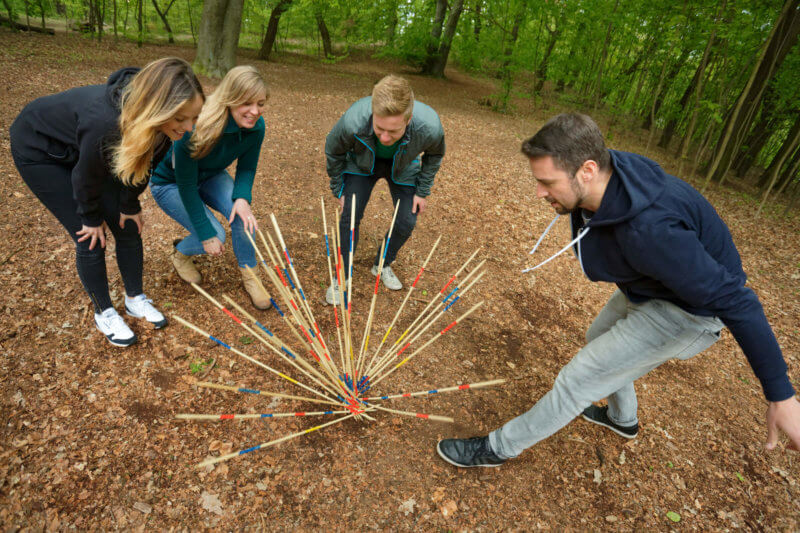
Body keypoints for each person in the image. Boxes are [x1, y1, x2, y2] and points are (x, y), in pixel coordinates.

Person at [437, 113, 800, 467]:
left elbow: (737, 300)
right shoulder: (612, 180)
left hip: (689, 311)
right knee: (596, 335)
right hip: (654, 285)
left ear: (588, 169)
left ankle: (498, 448)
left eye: (547, 182)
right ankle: (622, 418)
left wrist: (780, 393)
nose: (538, 192)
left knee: (579, 378)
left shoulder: (652, 232)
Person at [10, 57, 204, 347]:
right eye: (180, 119)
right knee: (90, 236)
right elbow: (85, 176)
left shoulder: (161, 127)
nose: (188, 127)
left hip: (87, 150)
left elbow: (143, 166)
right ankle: (104, 312)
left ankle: (134, 299)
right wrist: (89, 217)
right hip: (40, 149)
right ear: (156, 108)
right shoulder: (105, 122)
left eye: (194, 117)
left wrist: (129, 204)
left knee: (128, 226)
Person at [150, 65, 271, 309]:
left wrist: (242, 198)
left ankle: (251, 275)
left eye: (260, 103)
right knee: (215, 234)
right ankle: (181, 253)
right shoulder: (195, 125)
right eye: (247, 103)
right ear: (230, 99)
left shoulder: (256, 128)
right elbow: (186, 185)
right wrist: (205, 234)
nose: (255, 111)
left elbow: (247, 169)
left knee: (242, 217)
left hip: (211, 175)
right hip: (171, 184)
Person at [323, 74, 445, 304]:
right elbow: (333, 150)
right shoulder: (353, 120)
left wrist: (422, 191)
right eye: (379, 129)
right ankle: (342, 275)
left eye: (394, 131)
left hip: (403, 166)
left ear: (408, 121)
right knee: (350, 214)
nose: (385, 137)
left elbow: (435, 154)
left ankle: (382, 264)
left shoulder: (429, 127)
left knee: (407, 221)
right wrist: (338, 189)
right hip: (361, 163)